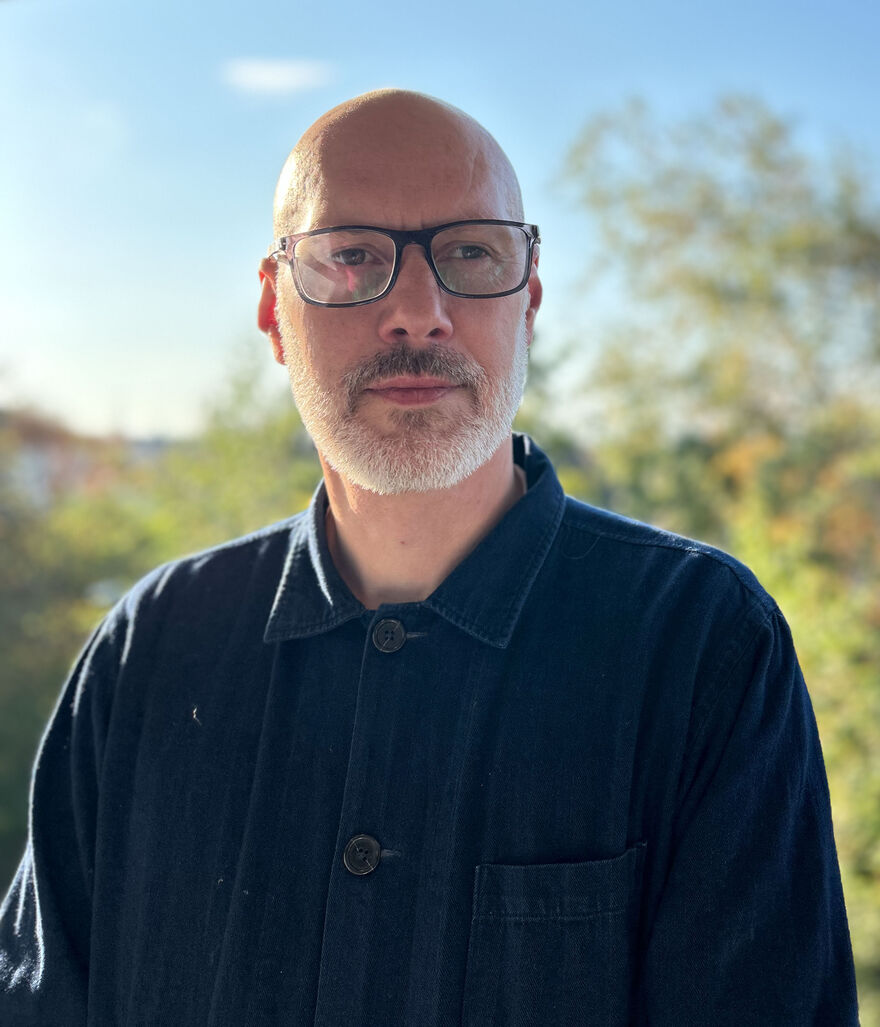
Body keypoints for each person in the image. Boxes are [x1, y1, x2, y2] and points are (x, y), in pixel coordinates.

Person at [0, 90, 859, 1025]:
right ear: (273, 310)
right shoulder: (147, 655)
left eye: (471, 254)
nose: (418, 311)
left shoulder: (703, 647)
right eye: (352, 255)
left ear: (528, 305)